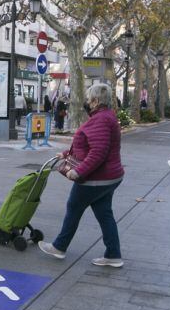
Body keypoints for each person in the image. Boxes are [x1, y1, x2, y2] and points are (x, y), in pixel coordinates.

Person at [38, 83, 124, 267]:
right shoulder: (105, 117)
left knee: (74, 207)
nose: (86, 101)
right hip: (110, 176)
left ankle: (59, 247)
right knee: (104, 214)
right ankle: (113, 254)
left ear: (95, 100)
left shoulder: (101, 119)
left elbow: (98, 152)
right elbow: (88, 145)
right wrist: (67, 154)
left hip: (97, 178)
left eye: (88, 98)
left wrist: (78, 171)